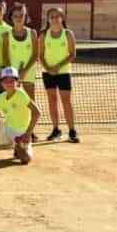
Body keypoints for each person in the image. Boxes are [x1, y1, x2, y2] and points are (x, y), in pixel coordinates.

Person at [39, 7, 80, 143]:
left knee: (66, 101)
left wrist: (57, 67)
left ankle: (72, 131)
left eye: (57, 16)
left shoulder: (68, 34)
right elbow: (40, 55)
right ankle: (56, 129)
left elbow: (72, 54)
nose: (55, 19)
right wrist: (48, 68)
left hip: (63, 73)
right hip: (48, 73)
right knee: (52, 101)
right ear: (48, 19)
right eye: (52, 17)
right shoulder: (43, 35)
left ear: (62, 18)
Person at [2, 2, 39, 141]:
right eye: (16, 16)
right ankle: (14, 129)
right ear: (11, 17)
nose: (18, 18)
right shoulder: (6, 35)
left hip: (28, 72)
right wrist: (13, 74)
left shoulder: (32, 33)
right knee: (14, 102)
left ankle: (30, 131)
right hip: (12, 75)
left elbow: (35, 55)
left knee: (30, 102)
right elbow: (5, 57)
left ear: (25, 17)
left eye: (21, 15)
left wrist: (24, 71)